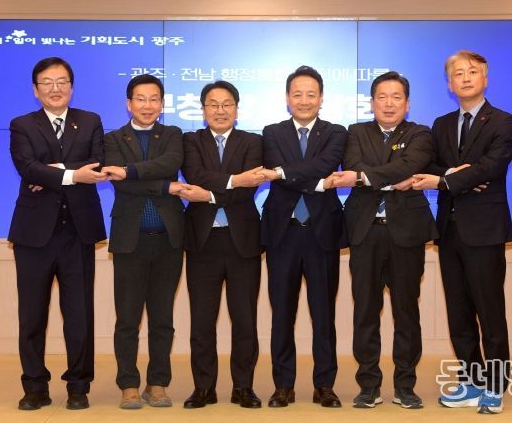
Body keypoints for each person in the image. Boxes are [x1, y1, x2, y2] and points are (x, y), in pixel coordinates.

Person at [412, 50, 512, 414]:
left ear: (485, 78)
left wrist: (446, 180)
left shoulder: (504, 121)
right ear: (449, 83)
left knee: (490, 312)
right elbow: (430, 164)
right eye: (458, 73)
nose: (466, 77)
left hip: (485, 231)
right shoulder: (441, 124)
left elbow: (491, 166)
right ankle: (472, 381)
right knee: (458, 313)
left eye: (472, 71)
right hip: (449, 230)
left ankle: (496, 385)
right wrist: (454, 176)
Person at [330, 71, 437, 410]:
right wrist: (392, 176)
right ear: (372, 102)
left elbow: (412, 164)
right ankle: (369, 385)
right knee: (365, 310)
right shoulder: (355, 132)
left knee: (406, 311)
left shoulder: (421, 133)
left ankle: (405, 385)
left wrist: (364, 177)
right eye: (382, 97)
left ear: (407, 103)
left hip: (406, 233)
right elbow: (354, 165)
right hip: (365, 232)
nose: (389, 104)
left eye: (396, 97)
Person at [8, 57, 107, 411]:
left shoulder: (90, 120)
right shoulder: (22, 124)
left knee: (79, 314)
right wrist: (72, 175)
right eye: (47, 82)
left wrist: (53, 172)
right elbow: (27, 166)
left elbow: (97, 163)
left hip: (78, 232)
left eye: (62, 81)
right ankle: (35, 386)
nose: (55, 88)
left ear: (72, 86)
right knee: (32, 315)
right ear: (35, 90)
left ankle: (79, 386)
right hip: (34, 234)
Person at [258, 65, 347, 408]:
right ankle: (283, 385)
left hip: (322, 234)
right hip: (283, 234)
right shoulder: (272, 132)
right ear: (287, 98)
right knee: (282, 314)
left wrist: (284, 173)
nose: (304, 100)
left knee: (323, 315)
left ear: (321, 98)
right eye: (297, 94)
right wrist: (321, 183)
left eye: (311, 94)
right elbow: (304, 172)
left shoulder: (336, 132)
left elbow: (324, 164)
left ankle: (325, 385)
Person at [178, 80, 266, 409]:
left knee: (244, 319)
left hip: (242, 242)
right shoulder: (191, 141)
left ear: (237, 109)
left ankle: (243, 386)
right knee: (202, 320)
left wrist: (212, 195)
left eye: (227, 104)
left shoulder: (253, 142)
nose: (220, 110)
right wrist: (235, 179)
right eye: (213, 104)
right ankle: (204, 387)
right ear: (203, 110)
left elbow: (249, 188)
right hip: (202, 242)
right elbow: (195, 175)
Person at [101, 74, 185, 410]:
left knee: (163, 318)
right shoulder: (112, 139)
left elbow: (170, 163)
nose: (147, 105)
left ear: (162, 104)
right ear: (128, 103)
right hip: (130, 240)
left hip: (168, 239)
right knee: (128, 319)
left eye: (153, 99)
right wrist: (164, 186)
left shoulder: (174, 135)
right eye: (140, 99)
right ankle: (128, 384)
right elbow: (120, 183)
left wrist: (131, 170)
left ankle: (158, 383)